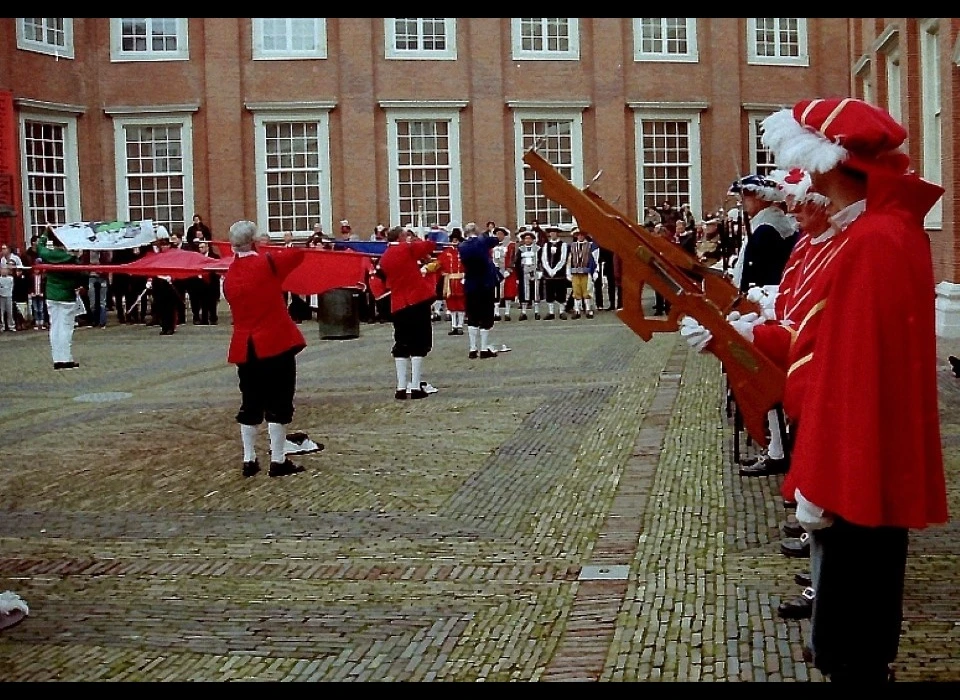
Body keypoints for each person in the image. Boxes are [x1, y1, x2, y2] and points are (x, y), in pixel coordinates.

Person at [756, 97, 949, 682]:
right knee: (857, 613)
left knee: (852, 633)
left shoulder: (871, 240)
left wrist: (825, 476)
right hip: (861, 451)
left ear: (825, 160)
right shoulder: (874, 232)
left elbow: (849, 374)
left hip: (858, 456)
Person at [223, 219, 317, 478]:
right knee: (279, 400)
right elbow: (297, 254)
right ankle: (277, 459)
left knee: (250, 401)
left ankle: (249, 459)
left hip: (245, 346)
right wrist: (269, 249)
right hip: (274, 342)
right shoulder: (268, 263)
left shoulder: (229, 276)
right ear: (255, 242)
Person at [376, 225, 438, 399]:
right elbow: (430, 245)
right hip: (416, 300)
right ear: (402, 237)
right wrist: (418, 237)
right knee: (420, 343)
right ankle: (416, 386)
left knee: (401, 344)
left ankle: (401, 387)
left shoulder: (385, 257)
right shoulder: (406, 248)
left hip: (398, 304)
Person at [728, 174, 797, 294]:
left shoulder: (766, 228)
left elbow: (757, 272)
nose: (741, 203)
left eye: (746, 197)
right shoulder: (764, 222)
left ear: (762, 197)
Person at [458, 222, 510, 359]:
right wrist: (492, 232)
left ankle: (472, 348)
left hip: (470, 283)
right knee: (486, 316)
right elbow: (497, 239)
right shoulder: (483, 241)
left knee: (472, 316)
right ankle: (484, 348)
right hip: (485, 284)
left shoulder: (462, 246)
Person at [37, 227, 86, 369]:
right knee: (66, 328)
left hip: (52, 294)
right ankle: (65, 358)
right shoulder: (71, 258)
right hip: (66, 295)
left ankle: (57, 358)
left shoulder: (48, 254)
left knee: (55, 327)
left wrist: (46, 233)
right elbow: (81, 275)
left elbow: (40, 246)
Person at [437, 228, 466, 335]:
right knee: (451, 303)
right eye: (453, 239)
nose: (455, 241)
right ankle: (454, 325)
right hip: (449, 281)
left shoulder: (464, 251)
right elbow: (439, 264)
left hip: (461, 280)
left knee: (461, 303)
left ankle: (460, 325)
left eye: (456, 239)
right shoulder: (446, 252)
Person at [567, 228, 597, 319]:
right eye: (578, 235)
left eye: (582, 235)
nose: (580, 236)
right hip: (575, 272)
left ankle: (588, 309)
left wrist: (595, 271)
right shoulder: (572, 246)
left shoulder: (590, 246)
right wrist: (568, 272)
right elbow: (569, 260)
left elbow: (595, 259)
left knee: (587, 290)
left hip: (586, 272)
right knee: (576, 291)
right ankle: (577, 310)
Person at [540, 226, 569, 320]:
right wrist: (549, 270)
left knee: (561, 292)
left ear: (557, 234)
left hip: (560, 274)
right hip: (548, 274)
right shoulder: (546, 245)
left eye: (554, 232)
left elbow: (563, 259)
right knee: (549, 293)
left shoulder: (563, 245)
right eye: (551, 233)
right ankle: (551, 312)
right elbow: (544, 259)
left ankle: (561, 311)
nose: (552, 234)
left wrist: (555, 270)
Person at [515, 230, 541, 320]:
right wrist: (518, 276)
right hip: (524, 273)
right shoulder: (521, 249)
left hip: (535, 273)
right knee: (524, 293)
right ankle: (523, 312)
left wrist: (540, 271)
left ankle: (537, 312)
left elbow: (541, 261)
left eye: (529, 238)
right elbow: (517, 263)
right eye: (526, 238)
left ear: (533, 239)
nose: (527, 240)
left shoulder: (538, 249)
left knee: (535, 293)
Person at [492, 226, 517, 321]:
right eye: (497, 234)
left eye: (501, 234)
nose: (499, 236)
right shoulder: (492, 245)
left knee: (508, 293)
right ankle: (496, 313)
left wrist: (509, 268)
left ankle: (507, 312)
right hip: (495, 272)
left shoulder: (510, 245)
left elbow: (513, 257)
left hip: (507, 272)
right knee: (496, 293)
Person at [0, 263, 14, 331]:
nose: (4, 271)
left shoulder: (11, 278)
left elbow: (11, 287)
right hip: (1, 297)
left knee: (10, 312)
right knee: (1, 312)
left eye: (5, 270)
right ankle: (2, 326)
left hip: (9, 296)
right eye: (2, 270)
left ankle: (11, 326)